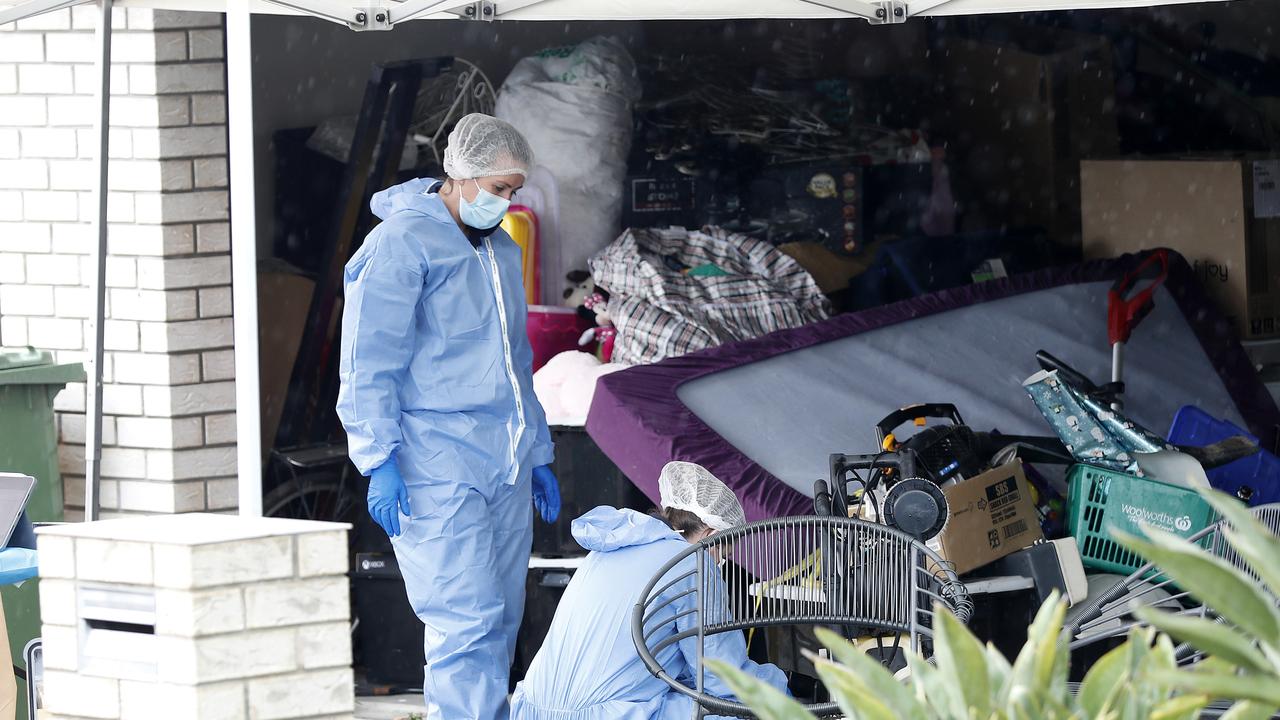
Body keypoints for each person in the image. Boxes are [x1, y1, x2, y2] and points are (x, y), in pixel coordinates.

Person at [337, 113, 561, 720]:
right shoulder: (400, 245)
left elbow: (517, 363)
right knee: (465, 619)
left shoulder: (500, 249)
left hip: (504, 459)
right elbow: (367, 361)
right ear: (458, 175)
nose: (506, 201)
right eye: (498, 189)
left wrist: (537, 452)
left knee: (505, 616)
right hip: (432, 461)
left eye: (514, 191)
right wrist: (378, 458)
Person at [510, 461, 790, 720]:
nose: (719, 563)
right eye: (723, 555)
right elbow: (724, 679)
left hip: (533, 709)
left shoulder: (614, 545)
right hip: (607, 716)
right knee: (739, 713)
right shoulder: (692, 562)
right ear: (711, 536)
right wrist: (784, 689)